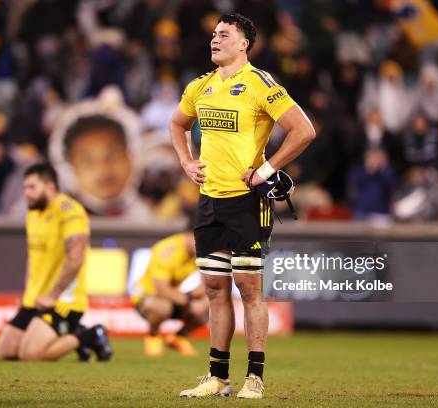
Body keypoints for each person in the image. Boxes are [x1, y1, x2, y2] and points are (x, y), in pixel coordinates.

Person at [169, 13, 315, 399]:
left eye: (224, 34)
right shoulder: (199, 86)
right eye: (214, 34)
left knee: (249, 290)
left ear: (243, 43)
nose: (215, 39)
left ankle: (255, 377)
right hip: (209, 201)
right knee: (215, 289)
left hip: (246, 202)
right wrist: (186, 162)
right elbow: (177, 124)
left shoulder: (261, 84)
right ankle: (217, 376)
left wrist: (266, 168)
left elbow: (304, 130)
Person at [0, 163, 112, 362]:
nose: (26, 193)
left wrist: (52, 295)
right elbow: (33, 256)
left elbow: (76, 258)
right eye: (25, 188)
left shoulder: (69, 211)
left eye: (32, 187)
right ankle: (76, 332)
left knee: (30, 355)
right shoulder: (33, 213)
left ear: (50, 187)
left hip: (63, 300)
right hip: (36, 297)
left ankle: (91, 336)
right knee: (5, 352)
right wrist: (29, 293)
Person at [132, 230, 208, 356]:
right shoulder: (167, 249)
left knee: (211, 304)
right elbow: (161, 289)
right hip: (149, 297)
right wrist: (189, 301)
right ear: (189, 235)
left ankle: (179, 338)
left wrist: (196, 295)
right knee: (160, 307)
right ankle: (153, 337)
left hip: (174, 297)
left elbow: (208, 283)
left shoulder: (202, 251)